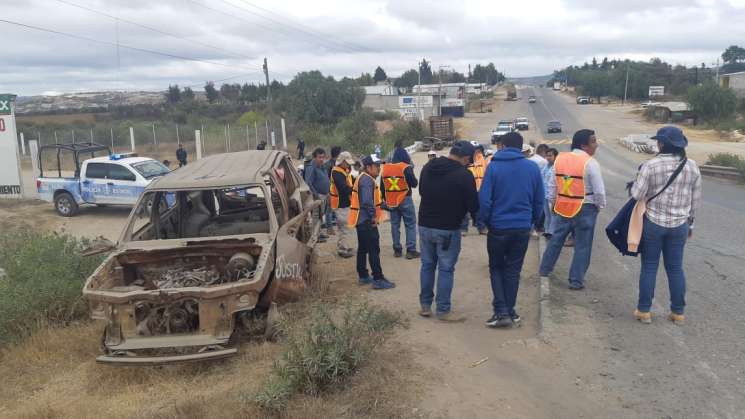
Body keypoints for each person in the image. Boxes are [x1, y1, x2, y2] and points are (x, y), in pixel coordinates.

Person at [630, 126, 702, 325]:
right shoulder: (692, 166)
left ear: (661, 144)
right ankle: (677, 313)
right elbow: (695, 201)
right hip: (680, 225)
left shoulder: (650, 165)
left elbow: (637, 194)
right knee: (675, 268)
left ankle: (644, 311)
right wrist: (691, 226)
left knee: (649, 267)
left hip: (653, 223)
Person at [479, 132, 544, 328]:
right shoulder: (532, 168)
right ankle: (510, 310)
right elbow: (539, 200)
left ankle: (501, 312)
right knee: (513, 271)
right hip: (522, 227)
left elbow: (485, 200)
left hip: (498, 227)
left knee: (497, 269)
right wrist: (531, 221)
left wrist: (484, 222)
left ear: (502, 146)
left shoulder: (493, 167)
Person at [418, 141, 479, 322]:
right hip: (447, 229)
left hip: (425, 225)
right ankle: (443, 310)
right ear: (466, 158)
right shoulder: (464, 175)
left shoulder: (428, 167)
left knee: (427, 265)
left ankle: (425, 306)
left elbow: (421, 191)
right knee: (445, 269)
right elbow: (473, 205)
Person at [540, 129, 606, 290]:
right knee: (583, 245)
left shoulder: (560, 160)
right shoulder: (590, 163)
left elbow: (552, 185)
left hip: (563, 206)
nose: (596, 145)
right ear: (584, 145)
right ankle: (576, 280)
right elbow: (599, 191)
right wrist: (599, 206)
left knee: (556, 239)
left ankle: (544, 269)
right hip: (586, 207)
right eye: (593, 141)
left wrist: (552, 203)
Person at [349, 154, 395, 290]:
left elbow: (372, 200)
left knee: (363, 248)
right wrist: (373, 217)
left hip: (361, 220)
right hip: (367, 221)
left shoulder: (364, 178)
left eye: (380, 166)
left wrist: (384, 205)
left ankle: (363, 275)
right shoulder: (367, 181)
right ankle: (378, 278)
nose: (379, 169)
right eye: (376, 166)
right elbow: (368, 202)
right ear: (368, 167)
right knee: (374, 249)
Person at [381, 145, 419, 259]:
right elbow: (414, 183)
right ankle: (411, 250)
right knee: (410, 224)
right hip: (405, 199)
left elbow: (382, 187)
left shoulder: (386, 168)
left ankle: (397, 250)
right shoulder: (405, 167)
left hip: (392, 201)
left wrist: (384, 199)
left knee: (394, 225)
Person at [330, 151, 357, 258]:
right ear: (342, 161)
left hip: (343, 203)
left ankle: (344, 246)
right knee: (344, 227)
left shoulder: (342, 171)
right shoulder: (337, 173)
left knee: (344, 227)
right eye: (347, 162)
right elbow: (344, 188)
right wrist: (355, 189)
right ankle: (342, 249)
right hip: (340, 204)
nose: (349, 165)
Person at [304, 148, 331, 241]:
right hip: (316, 196)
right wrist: (316, 196)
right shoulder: (311, 167)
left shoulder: (322, 166)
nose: (322, 159)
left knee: (320, 215)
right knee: (316, 215)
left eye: (323, 157)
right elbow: (308, 183)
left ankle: (318, 232)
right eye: (319, 157)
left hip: (324, 195)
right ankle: (314, 236)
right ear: (314, 157)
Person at [462, 145, 487, 234]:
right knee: (465, 209)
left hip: (480, 188)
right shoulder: (466, 161)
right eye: (475, 151)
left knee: (479, 209)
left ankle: (481, 227)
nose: (477, 153)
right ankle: (464, 228)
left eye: (478, 151)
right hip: (469, 188)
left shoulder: (483, 160)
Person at [322, 146, 342, 234]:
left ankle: (333, 227)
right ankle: (329, 228)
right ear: (338, 155)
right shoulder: (330, 165)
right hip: (330, 190)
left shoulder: (332, 164)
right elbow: (326, 178)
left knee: (333, 209)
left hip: (335, 190)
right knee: (329, 209)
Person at [542, 148, 559, 238]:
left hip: (552, 194)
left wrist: (555, 196)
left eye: (550, 155)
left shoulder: (557, 167)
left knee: (553, 214)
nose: (548, 157)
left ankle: (552, 232)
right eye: (547, 155)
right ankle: (547, 230)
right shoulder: (546, 166)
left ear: (555, 156)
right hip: (544, 194)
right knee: (547, 214)